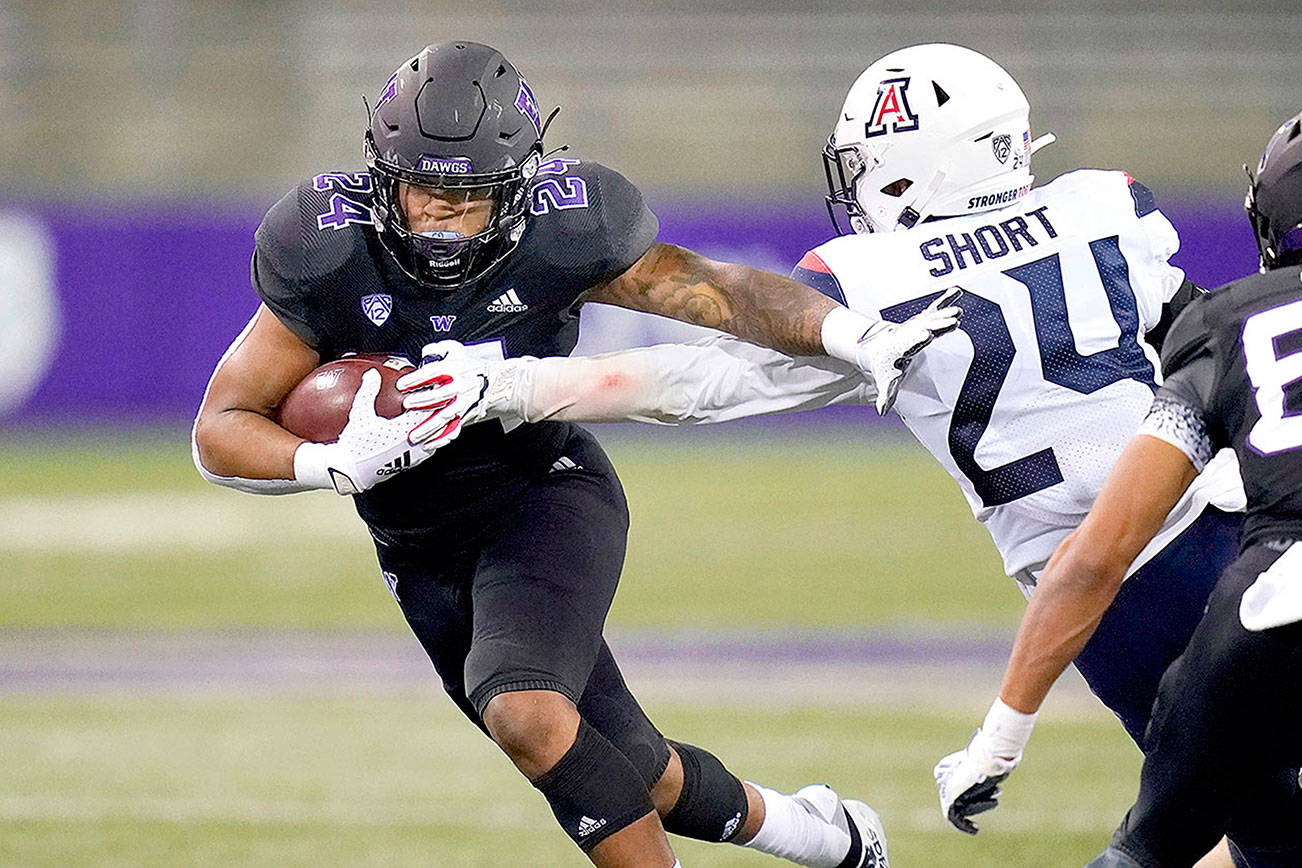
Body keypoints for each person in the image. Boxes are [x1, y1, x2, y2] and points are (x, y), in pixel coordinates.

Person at [397, 43, 1247, 861]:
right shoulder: (1104, 206)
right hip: (1237, 535)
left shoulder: (883, 278)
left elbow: (703, 384)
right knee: (1239, 811)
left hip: (1112, 596)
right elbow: (1209, 349)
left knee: (1234, 820)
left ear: (924, 166)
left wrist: (515, 388)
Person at [191, 41, 954, 868]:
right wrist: (330, 465)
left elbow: (719, 291)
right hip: (415, 549)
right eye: (422, 190)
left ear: (517, 188)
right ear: (381, 173)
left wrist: (847, 332)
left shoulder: (569, 228)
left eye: (470, 194)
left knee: (526, 713)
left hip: (540, 493)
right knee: (634, 771)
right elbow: (223, 425)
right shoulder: (327, 246)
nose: (441, 215)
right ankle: (831, 838)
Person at [934, 113, 1302, 867]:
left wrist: (999, 739)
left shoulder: (1228, 326)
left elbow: (1097, 555)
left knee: (1159, 850)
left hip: (1264, 615)